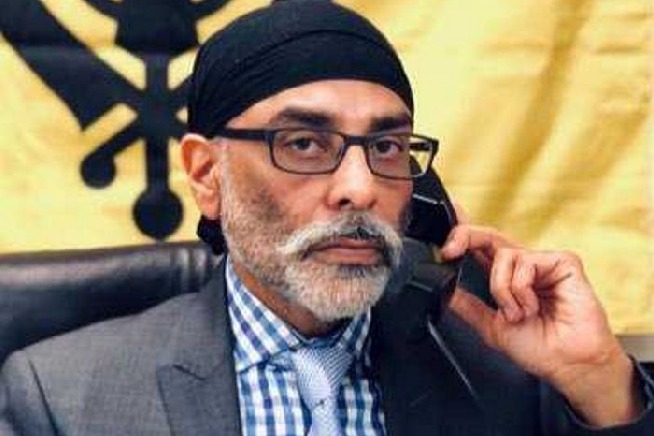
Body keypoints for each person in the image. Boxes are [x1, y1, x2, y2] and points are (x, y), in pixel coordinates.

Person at [0, 1, 652, 435]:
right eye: (304, 144)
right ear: (206, 176)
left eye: (387, 147)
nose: (360, 188)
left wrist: (598, 382)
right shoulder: (63, 397)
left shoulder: (504, 376)